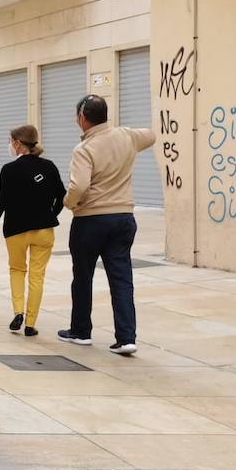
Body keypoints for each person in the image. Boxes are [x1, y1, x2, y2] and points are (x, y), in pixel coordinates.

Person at [58, 95, 155, 356]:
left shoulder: (84, 150)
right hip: (123, 218)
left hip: (90, 219)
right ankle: (126, 338)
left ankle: (80, 331)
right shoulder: (127, 136)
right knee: (122, 278)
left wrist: (69, 202)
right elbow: (151, 135)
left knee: (83, 276)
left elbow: (79, 186)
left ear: (82, 118)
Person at [0, 125, 65, 337]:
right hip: (44, 230)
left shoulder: (9, 170)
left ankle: (18, 312)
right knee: (37, 276)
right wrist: (51, 215)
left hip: (15, 230)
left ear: (18, 144)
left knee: (17, 270)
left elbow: (1, 200)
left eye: (11, 141)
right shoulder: (49, 167)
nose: (10, 145)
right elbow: (62, 195)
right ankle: (30, 323)